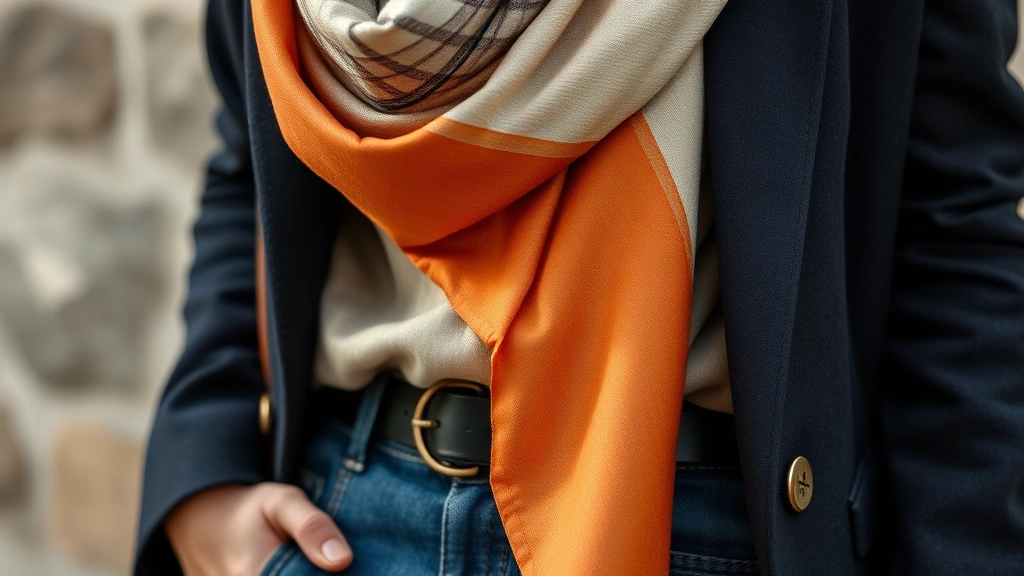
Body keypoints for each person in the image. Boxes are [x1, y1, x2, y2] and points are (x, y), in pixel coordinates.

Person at [134, 0, 1024, 574]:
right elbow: (250, 147)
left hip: (704, 528)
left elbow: (952, 219)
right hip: (347, 520)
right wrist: (202, 470)